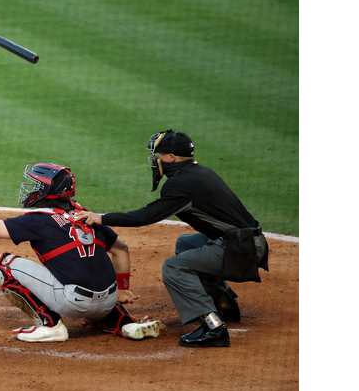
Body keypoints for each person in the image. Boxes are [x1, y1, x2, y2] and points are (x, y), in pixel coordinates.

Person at [75, 130, 269, 348]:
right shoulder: (199, 173)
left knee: (174, 267)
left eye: (160, 155)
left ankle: (213, 327)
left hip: (239, 248)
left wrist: (100, 218)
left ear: (171, 158)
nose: (157, 160)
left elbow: (145, 216)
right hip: (249, 241)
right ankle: (225, 303)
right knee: (186, 245)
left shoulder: (181, 184)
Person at [0, 163, 166, 343]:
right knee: (87, 272)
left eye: (36, 184)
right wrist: (123, 289)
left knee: (5, 264)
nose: (31, 188)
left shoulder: (38, 219)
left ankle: (50, 325)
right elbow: (121, 250)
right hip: (109, 300)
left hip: (74, 302)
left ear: (47, 191)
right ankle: (124, 323)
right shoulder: (86, 215)